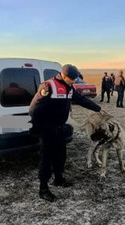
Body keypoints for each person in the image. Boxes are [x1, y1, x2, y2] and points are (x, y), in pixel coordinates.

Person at [29, 64, 102, 202]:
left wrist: (98, 109)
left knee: (61, 155)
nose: (74, 81)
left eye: (75, 79)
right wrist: (37, 126)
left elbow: (81, 99)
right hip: (48, 128)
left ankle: (58, 179)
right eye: (72, 79)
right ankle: (43, 189)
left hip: (60, 127)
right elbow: (34, 108)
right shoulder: (48, 86)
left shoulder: (69, 87)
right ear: (63, 75)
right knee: (47, 159)